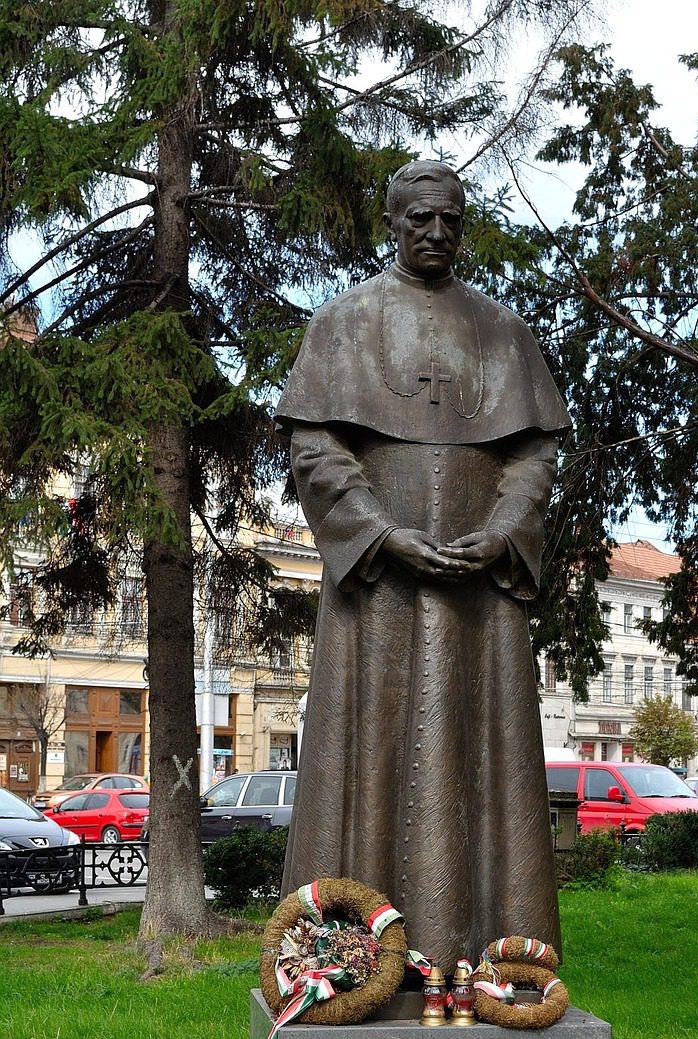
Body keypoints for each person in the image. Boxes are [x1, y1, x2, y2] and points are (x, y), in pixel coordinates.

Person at [275, 160, 570, 969]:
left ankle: (489, 959)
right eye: (419, 220)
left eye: (449, 220)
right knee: (363, 762)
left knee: (487, 759)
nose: (436, 233)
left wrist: (505, 529)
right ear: (394, 223)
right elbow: (315, 446)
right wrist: (379, 533)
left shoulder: (504, 332)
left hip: (480, 591)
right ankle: (349, 964)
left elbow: (533, 455)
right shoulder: (343, 323)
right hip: (378, 589)